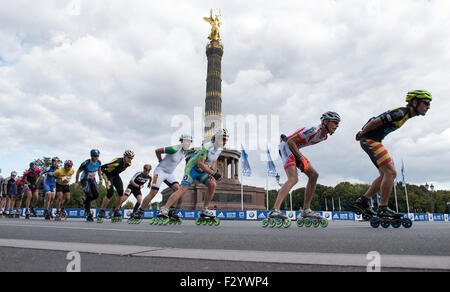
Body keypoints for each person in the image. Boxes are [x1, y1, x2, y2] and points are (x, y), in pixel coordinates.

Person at [353, 90, 432, 218]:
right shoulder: (400, 113)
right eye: (426, 103)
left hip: (372, 140)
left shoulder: (405, 115)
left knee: (385, 174)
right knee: (391, 172)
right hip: (370, 140)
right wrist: (361, 133)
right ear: (415, 102)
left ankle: (363, 201)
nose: (428, 107)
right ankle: (383, 208)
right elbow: (374, 121)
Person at [273, 111, 341, 222]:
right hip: (286, 146)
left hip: (294, 149)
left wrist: (299, 156)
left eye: (338, 123)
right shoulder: (313, 130)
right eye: (335, 122)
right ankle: (275, 210)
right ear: (325, 122)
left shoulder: (324, 137)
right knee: (293, 179)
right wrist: (301, 157)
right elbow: (290, 141)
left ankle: (306, 210)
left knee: (314, 175)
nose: (337, 125)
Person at [158, 129, 228, 220]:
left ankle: (204, 210)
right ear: (217, 138)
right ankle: (164, 209)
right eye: (223, 139)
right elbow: (200, 164)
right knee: (183, 189)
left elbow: (214, 160)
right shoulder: (207, 147)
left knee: (212, 184)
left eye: (226, 139)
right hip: (192, 169)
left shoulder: (220, 148)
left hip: (203, 170)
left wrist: (211, 171)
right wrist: (214, 173)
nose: (225, 142)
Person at [134, 134, 192, 219]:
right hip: (159, 172)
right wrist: (160, 160)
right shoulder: (174, 149)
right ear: (181, 141)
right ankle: (140, 212)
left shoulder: (186, 151)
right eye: (186, 141)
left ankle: (171, 211)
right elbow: (157, 150)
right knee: (153, 192)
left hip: (169, 173)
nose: (188, 144)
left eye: (189, 142)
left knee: (177, 189)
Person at [97, 150, 134, 222]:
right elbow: (100, 167)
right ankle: (102, 211)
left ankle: (116, 210)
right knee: (110, 192)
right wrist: (100, 178)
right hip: (107, 174)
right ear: (124, 156)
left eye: (131, 158)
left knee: (121, 192)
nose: (130, 160)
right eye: (129, 158)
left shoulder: (129, 164)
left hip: (115, 175)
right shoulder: (116, 162)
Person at [75, 149, 102, 222]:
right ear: (92, 156)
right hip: (85, 180)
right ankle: (88, 212)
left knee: (96, 195)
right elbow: (78, 172)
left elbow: (99, 170)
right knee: (89, 195)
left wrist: (100, 179)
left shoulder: (99, 162)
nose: (97, 158)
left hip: (92, 179)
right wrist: (76, 182)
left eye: (98, 156)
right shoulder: (86, 163)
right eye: (95, 156)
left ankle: (85, 202)